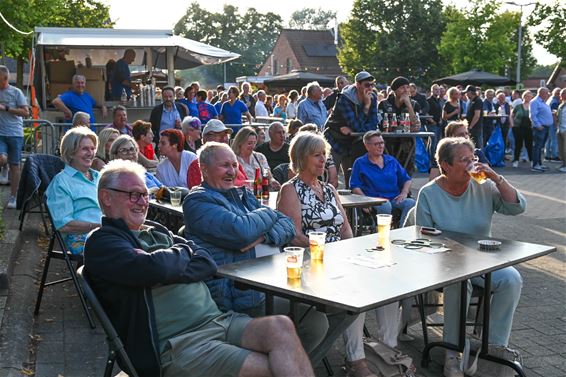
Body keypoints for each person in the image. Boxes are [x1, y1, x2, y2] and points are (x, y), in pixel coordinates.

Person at [84, 158, 314, 377]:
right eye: (134, 195)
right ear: (106, 197)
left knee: (281, 327)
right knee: (273, 369)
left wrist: (169, 262)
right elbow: (154, 269)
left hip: (218, 321)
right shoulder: (103, 242)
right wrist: (180, 257)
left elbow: (206, 263)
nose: (143, 202)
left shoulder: (156, 230)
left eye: (145, 195)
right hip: (179, 343)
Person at [183, 142, 328, 355]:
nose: (232, 171)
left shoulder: (242, 195)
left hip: (277, 285)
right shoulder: (197, 201)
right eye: (225, 165)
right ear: (203, 168)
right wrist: (269, 215)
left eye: (234, 165)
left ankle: (283, 365)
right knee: (316, 321)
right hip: (241, 297)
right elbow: (240, 231)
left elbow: (287, 225)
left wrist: (262, 233)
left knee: (336, 309)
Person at [415, 137, 526, 377]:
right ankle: (452, 354)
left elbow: (517, 206)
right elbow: (422, 239)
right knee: (459, 283)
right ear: (445, 165)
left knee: (511, 279)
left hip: (483, 259)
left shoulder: (484, 185)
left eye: (472, 159)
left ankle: (493, 351)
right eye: (463, 160)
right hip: (445, 263)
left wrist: (496, 177)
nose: (470, 165)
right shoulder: (429, 193)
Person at [277, 132, 384, 377]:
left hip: (337, 261)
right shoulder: (290, 190)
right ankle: (351, 362)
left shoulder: (329, 189)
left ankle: (361, 357)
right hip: (308, 263)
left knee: (370, 285)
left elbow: (345, 228)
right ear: (301, 158)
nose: (323, 159)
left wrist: (356, 255)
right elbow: (292, 235)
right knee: (353, 296)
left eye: (324, 154)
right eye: (317, 155)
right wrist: (324, 252)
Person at [46, 127, 102, 254]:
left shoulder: (99, 177)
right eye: (84, 149)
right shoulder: (61, 182)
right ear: (71, 153)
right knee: (125, 253)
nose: (90, 153)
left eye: (92, 148)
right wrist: (98, 227)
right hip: (82, 237)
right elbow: (64, 225)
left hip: (108, 233)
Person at [349, 130, 416, 226]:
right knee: (385, 205)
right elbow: (355, 186)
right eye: (376, 144)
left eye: (382, 143)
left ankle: (403, 231)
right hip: (374, 200)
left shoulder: (391, 160)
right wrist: (365, 201)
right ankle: (384, 233)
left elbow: (406, 179)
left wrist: (404, 193)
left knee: (411, 203)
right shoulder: (360, 163)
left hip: (394, 198)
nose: (380, 146)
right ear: (367, 146)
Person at [324, 71, 379, 176]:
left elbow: (373, 125)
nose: (370, 88)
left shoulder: (373, 97)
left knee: (352, 180)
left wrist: (355, 129)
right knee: (331, 179)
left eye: (372, 85)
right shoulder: (344, 98)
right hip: (335, 140)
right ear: (357, 85)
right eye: (367, 85)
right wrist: (366, 107)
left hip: (352, 142)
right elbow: (357, 126)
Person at [378, 76, 422, 176]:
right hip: (388, 146)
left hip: (407, 146)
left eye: (407, 87)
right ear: (395, 90)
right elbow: (383, 126)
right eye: (402, 87)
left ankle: (405, 191)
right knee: (388, 172)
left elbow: (416, 126)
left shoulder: (414, 104)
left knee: (406, 174)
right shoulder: (384, 104)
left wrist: (408, 105)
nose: (406, 90)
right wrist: (406, 127)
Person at [187, 119, 247, 188]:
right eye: (220, 135)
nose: (224, 139)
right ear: (207, 139)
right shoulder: (197, 165)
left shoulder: (234, 162)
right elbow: (199, 192)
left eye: (226, 136)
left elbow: (247, 184)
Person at [0, 66, 29, 208]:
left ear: (5, 79)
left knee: (15, 166)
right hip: (0, 133)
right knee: (2, 158)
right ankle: (3, 166)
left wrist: (6, 108)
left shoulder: (16, 92)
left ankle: (13, 196)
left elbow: (26, 112)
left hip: (15, 134)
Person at [529, 87, 553, 172]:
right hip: (540, 128)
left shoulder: (543, 102)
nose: (548, 94)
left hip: (545, 127)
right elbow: (532, 115)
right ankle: (535, 165)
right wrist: (538, 125)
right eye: (547, 93)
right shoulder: (535, 102)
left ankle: (539, 163)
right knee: (537, 147)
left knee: (540, 147)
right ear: (541, 93)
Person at [545, 87, 561, 162]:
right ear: (558, 94)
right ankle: (554, 156)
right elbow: (554, 114)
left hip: (548, 122)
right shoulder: (555, 102)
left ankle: (547, 156)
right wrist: (556, 124)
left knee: (549, 139)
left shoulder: (550, 99)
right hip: (552, 123)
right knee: (554, 139)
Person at [557, 88, 566, 172]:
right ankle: (564, 164)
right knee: (561, 149)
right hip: (560, 129)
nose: (560, 95)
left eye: (562, 93)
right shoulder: (561, 105)